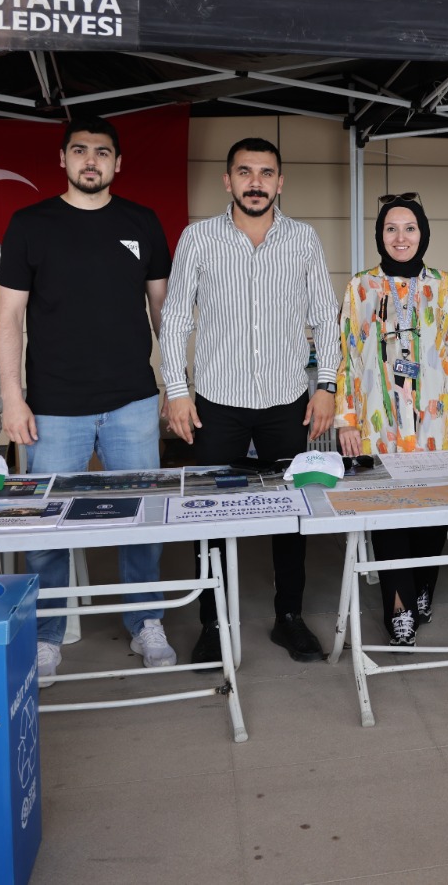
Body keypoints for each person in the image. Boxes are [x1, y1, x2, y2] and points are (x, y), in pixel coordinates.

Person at [0, 115, 175, 681]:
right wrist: (13, 399)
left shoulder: (142, 221)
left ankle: (146, 621)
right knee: (46, 525)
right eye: (79, 150)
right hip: (53, 405)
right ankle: (47, 634)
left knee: (142, 519)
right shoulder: (29, 223)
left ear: (118, 162)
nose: (90, 160)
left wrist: (176, 388)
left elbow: (164, 314)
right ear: (63, 159)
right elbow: (8, 319)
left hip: (132, 401)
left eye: (101, 152)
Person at [160, 137, 340, 664]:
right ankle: (212, 623)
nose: (255, 182)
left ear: (280, 182)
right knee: (210, 516)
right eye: (245, 172)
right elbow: (175, 318)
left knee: (292, 513)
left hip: (288, 401)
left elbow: (325, 316)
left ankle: (289, 618)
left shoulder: (303, 239)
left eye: (265, 173)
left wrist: (326, 385)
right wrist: (177, 391)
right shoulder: (198, 238)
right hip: (218, 404)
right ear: (228, 181)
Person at [336, 193, 448, 645]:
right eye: (391, 228)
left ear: (423, 233)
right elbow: (347, 355)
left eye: (410, 228)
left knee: (433, 512)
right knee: (389, 512)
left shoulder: (441, 284)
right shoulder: (361, 287)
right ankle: (398, 609)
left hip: (435, 425)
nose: (400, 237)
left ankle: (423, 590)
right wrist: (346, 419)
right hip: (380, 425)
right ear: (380, 235)